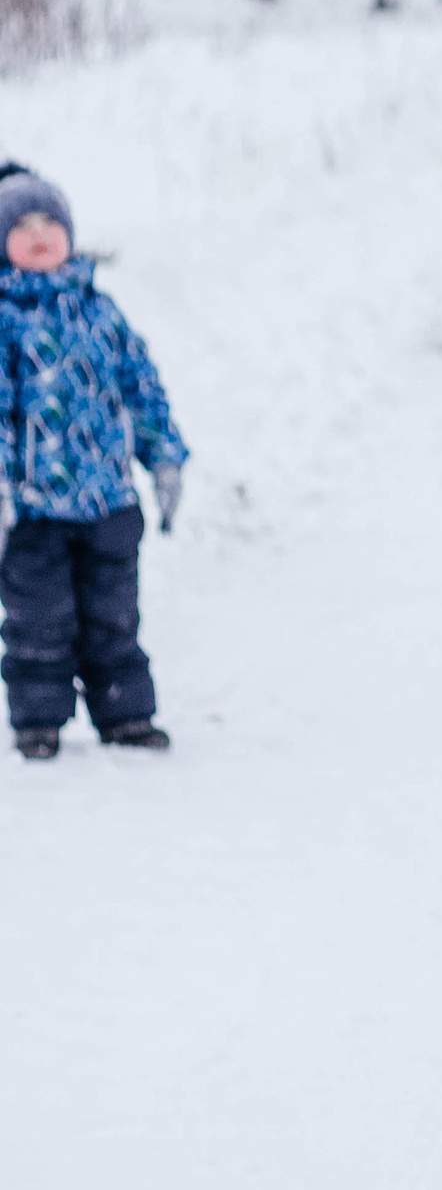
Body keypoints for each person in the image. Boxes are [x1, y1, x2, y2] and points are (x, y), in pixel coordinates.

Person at [0, 163, 189, 759]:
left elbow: (142, 387)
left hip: (108, 499)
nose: (38, 233)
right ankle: (39, 722)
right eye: (20, 225)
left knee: (114, 617)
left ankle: (126, 714)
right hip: (34, 511)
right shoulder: (5, 321)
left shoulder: (101, 312)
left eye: (49, 221)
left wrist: (163, 457)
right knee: (39, 624)